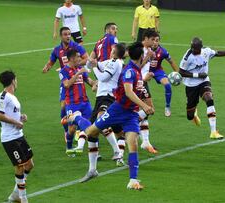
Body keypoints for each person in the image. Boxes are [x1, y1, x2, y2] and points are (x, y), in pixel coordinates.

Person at [62, 42, 154, 190]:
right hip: (117, 109)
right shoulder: (129, 71)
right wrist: (145, 105)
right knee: (91, 131)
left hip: (130, 113)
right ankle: (77, 117)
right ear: (141, 56)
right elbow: (129, 92)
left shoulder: (134, 70)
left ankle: (133, 180)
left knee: (133, 144)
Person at [179, 37, 225, 139]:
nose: (193, 51)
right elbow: (181, 72)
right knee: (190, 116)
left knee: (209, 99)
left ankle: (213, 132)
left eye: (196, 49)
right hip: (191, 85)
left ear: (201, 47)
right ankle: (194, 113)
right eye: (192, 48)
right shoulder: (188, 57)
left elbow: (218, 53)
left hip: (204, 81)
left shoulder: (206, 51)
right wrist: (197, 75)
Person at [43, 26, 88, 151]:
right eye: (65, 34)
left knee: (80, 104)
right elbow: (52, 60)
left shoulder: (77, 47)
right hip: (66, 79)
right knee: (63, 105)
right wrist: (47, 67)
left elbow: (87, 58)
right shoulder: (57, 50)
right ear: (61, 36)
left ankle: (78, 130)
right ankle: (67, 129)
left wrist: (76, 65)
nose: (68, 36)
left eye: (69, 34)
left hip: (76, 78)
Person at [0, 71, 34, 203]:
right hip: (9, 138)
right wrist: (16, 122)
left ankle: (15, 194)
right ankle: (23, 198)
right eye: (16, 80)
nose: (17, 82)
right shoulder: (3, 96)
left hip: (19, 136)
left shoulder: (12, 97)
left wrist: (21, 117)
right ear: (12, 81)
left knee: (29, 164)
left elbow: (10, 114)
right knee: (20, 166)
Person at [91, 43, 127, 166]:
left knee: (100, 121)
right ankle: (117, 157)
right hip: (104, 97)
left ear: (115, 52)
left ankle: (117, 151)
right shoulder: (114, 62)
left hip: (106, 96)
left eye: (112, 50)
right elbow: (101, 64)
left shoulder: (114, 63)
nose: (110, 51)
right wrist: (89, 62)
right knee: (94, 129)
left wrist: (94, 66)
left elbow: (103, 77)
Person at [60, 49, 96, 156]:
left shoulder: (80, 68)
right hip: (72, 103)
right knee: (72, 128)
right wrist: (78, 73)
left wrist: (96, 83)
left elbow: (89, 81)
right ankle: (69, 146)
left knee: (90, 126)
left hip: (85, 103)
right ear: (71, 58)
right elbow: (67, 84)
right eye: (78, 56)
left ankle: (94, 152)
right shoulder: (64, 71)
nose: (80, 58)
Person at [148, 34, 179, 116]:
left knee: (168, 85)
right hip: (145, 71)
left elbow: (171, 62)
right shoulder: (145, 50)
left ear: (159, 42)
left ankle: (167, 107)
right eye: (153, 40)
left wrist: (177, 73)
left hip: (157, 71)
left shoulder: (163, 51)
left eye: (157, 40)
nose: (155, 42)